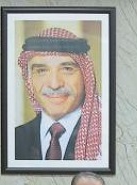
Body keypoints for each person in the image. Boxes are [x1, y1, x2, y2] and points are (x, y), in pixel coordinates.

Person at [15, 27, 102, 161]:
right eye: (41, 71)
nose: (54, 84)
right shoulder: (14, 139)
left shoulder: (104, 139)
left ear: (85, 77)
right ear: (29, 80)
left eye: (67, 69)